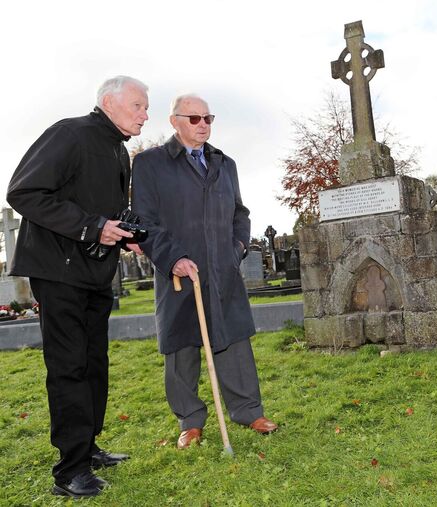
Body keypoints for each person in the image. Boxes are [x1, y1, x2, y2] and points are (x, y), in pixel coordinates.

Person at [7, 75, 149, 498]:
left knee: (94, 363)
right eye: (139, 105)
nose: (145, 114)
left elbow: (101, 212)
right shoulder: (70, 133)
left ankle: (87, 448)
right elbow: (23, 192)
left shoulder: (118, 150)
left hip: (94, 273)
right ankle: (69, 471)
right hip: (58, 271)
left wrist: (123, 231)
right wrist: (93, 227)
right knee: (69, 366)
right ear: (109, 101)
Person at [131, 93, 277, 450]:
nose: (203, 126)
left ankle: (248, 411)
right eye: (194, 119)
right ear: (174, 121)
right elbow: (144, 222)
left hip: (222, 269)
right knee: (181, 348)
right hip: (179, 271)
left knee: (233, 342)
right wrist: (172, 258)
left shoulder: (224, 163)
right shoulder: (150, 163)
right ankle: (190, 421)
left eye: (208, 119)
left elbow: (239, 214)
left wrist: (238, 248)